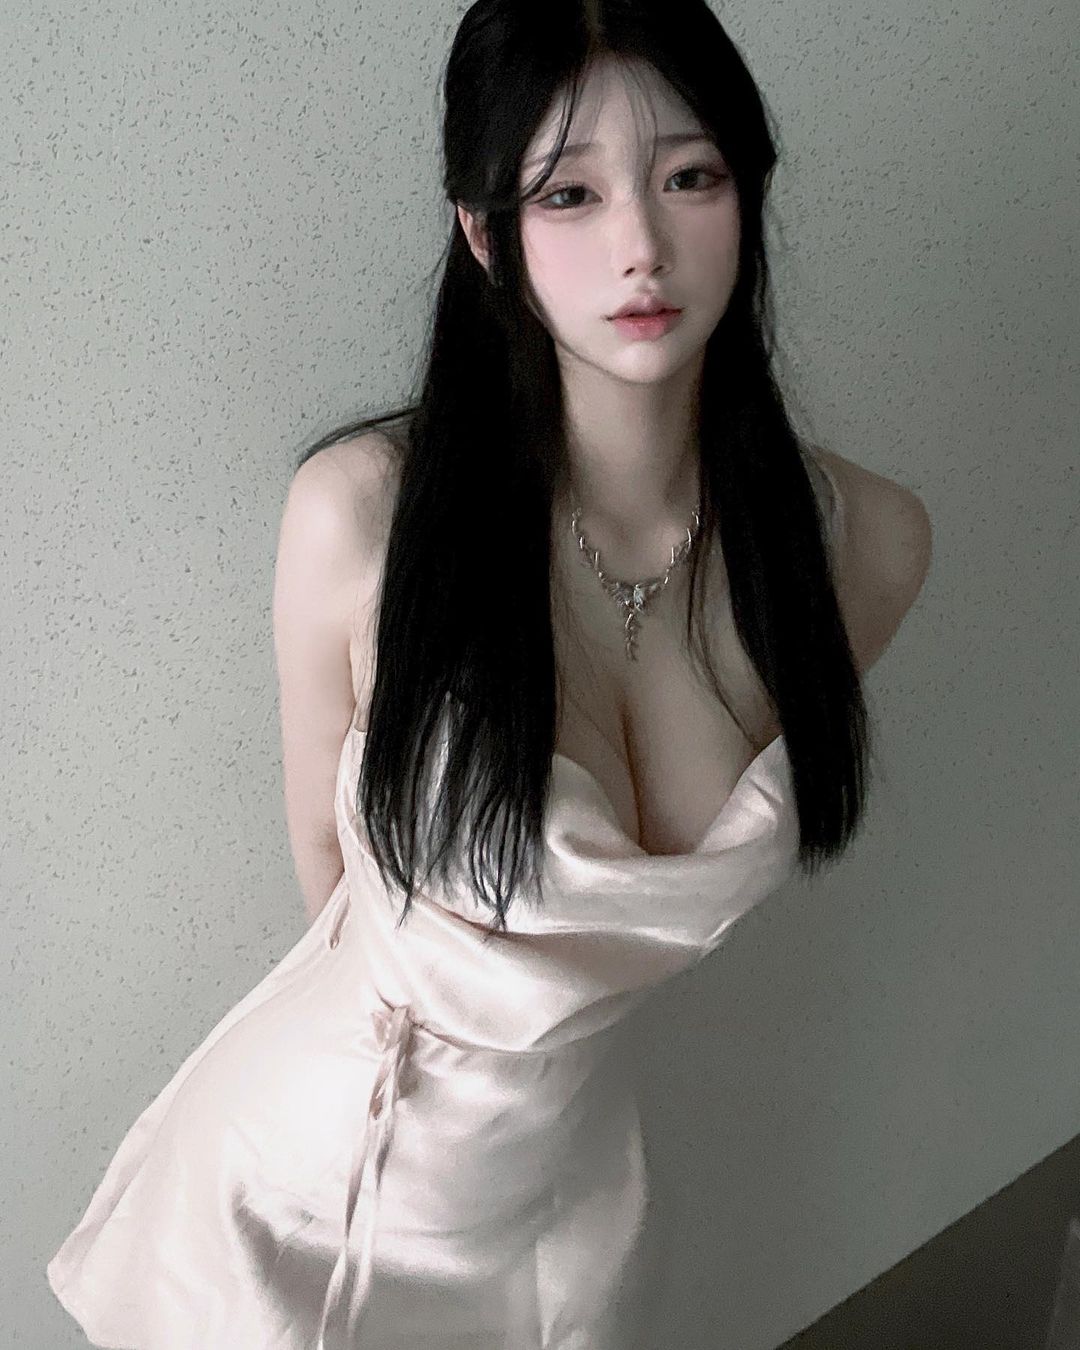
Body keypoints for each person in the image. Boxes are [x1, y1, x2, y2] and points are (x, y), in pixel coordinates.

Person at [45, 1, 932, 1345]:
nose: (639, 245)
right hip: (306, 1205)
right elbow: (332, 880)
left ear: (748, 191)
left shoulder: (862, 544)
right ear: (483, 233)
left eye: (688, 175)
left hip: (567, 1209)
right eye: (568, 193)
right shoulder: (364, 517)